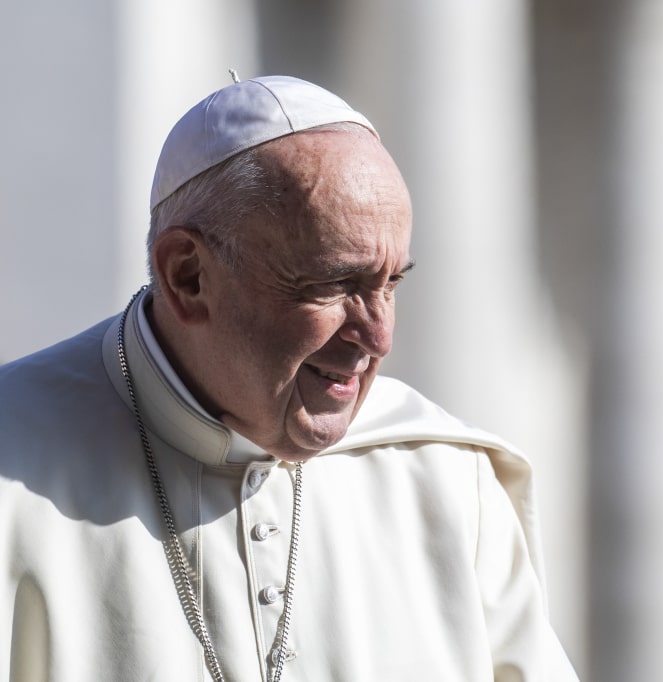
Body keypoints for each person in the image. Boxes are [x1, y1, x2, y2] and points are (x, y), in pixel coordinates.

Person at [0, 75, 578, 681]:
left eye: (390, 284)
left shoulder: (448, 484)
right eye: (334, 284)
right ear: (188, 276)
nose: (378, 338)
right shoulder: (16, 470)